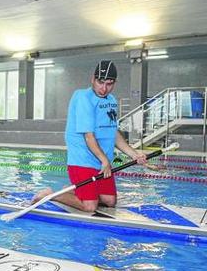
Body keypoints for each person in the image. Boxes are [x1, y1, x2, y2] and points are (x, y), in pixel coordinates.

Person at [32, 60, 147, 212]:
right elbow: (89, 137)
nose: (104, 88)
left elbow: (113, 133)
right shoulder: (82, 98)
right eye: (100, 82)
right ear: (93, 79)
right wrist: (105, 160)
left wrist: (134, 154)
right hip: (83, 160)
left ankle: (74, 190)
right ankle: (50, 194)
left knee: (110, 201)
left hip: (100, 162)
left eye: (109, 84)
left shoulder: (111, 100)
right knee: (90, 206)